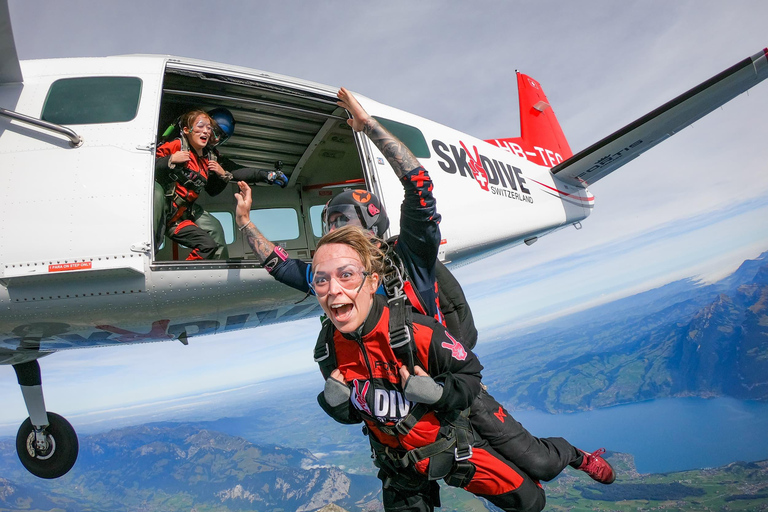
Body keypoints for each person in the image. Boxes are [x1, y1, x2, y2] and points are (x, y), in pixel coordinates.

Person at [234, 88, 615, 486]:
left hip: (447, 381)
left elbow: (418, 183)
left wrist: (369, 128)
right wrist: (244, 222)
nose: (336, 239)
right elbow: (279, 265)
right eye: (332, 228)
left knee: (538, 464)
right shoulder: (335, 282)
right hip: (400, 399)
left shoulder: (409, 257)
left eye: (343, 225)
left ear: (371, 229)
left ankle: (575, 454)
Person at [313, 225, 546, 512]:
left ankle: (575, 457)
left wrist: (437, 394)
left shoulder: (416, 330)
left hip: (448, 446)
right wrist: (333, 404)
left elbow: (470, 375)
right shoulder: (329, 348)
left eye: (346, 275)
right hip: (396, 463)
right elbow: (361, 412)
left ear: (372, 282)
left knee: (531, 500)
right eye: (321, 280)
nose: (333, 289)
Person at [155, 108, 287, 260]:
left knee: (215, 229)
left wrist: (267, 175)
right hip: (165, 201)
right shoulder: (177, 143)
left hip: (184, 208)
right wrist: (171, 160)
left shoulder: (212, 157)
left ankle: (214, 273)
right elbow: (152, 163)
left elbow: (237, 171)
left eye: (221, 138)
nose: (216, 139)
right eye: (215, 131)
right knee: (156, 193)